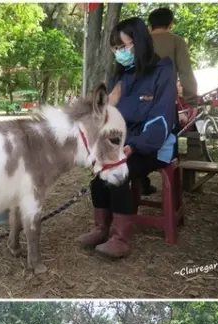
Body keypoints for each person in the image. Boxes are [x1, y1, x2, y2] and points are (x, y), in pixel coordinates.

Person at [77, 16, 177, 259]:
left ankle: (120, 238)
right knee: (98, 176)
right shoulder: (120, 77)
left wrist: (133, 146)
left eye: (124, 46)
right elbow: (109, 118)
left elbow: (161, 121)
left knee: (116, 175)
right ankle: (101, 228)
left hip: (154, 146)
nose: (119, 53)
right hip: (122, 144)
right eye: (116, 48)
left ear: (139, 42)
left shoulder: (162, 71)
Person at [145, 6, 197, 195]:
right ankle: (172, 190)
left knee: (137, 140)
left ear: (150, 25)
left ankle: (140, 179)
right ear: (170, 24)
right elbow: (185, 72)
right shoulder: (176, 41)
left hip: (140, 105)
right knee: (170, 142)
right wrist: (192, 101)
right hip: (165, 106)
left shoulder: (141, 43)